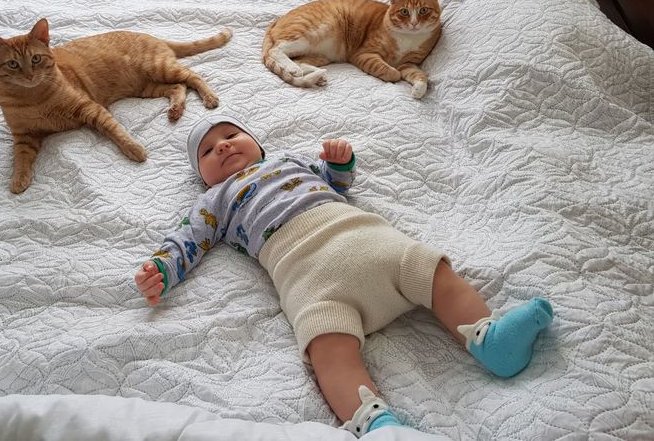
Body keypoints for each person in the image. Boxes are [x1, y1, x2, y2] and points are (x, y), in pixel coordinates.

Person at [134, 114, 554, 438]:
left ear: (257, 144)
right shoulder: (214, 200)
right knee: (324, 342)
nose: (223, 146)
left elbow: (338, 182)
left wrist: (339, 162)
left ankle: (490, 339)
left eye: (230, 135)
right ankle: (376, 424)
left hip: (361, 237)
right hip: (304, 270)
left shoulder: (288, 161)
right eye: (208, 151)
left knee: (429, 267)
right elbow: (187, 241)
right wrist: (161, 270)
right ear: (202, 177)